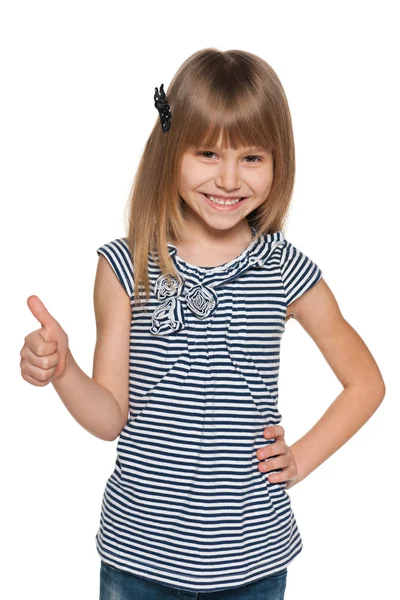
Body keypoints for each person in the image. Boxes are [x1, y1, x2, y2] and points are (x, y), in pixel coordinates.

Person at [20, 48, 386, 600]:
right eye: (208, 152)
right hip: (137, 560)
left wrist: (301, 459)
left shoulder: (282, 267)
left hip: (253, 562)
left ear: (278, 160)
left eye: (253, 157)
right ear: (172, 150)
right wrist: (65, 370)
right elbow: (107, 418)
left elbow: (366, 383)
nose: (229, 178)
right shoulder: (124, 266)